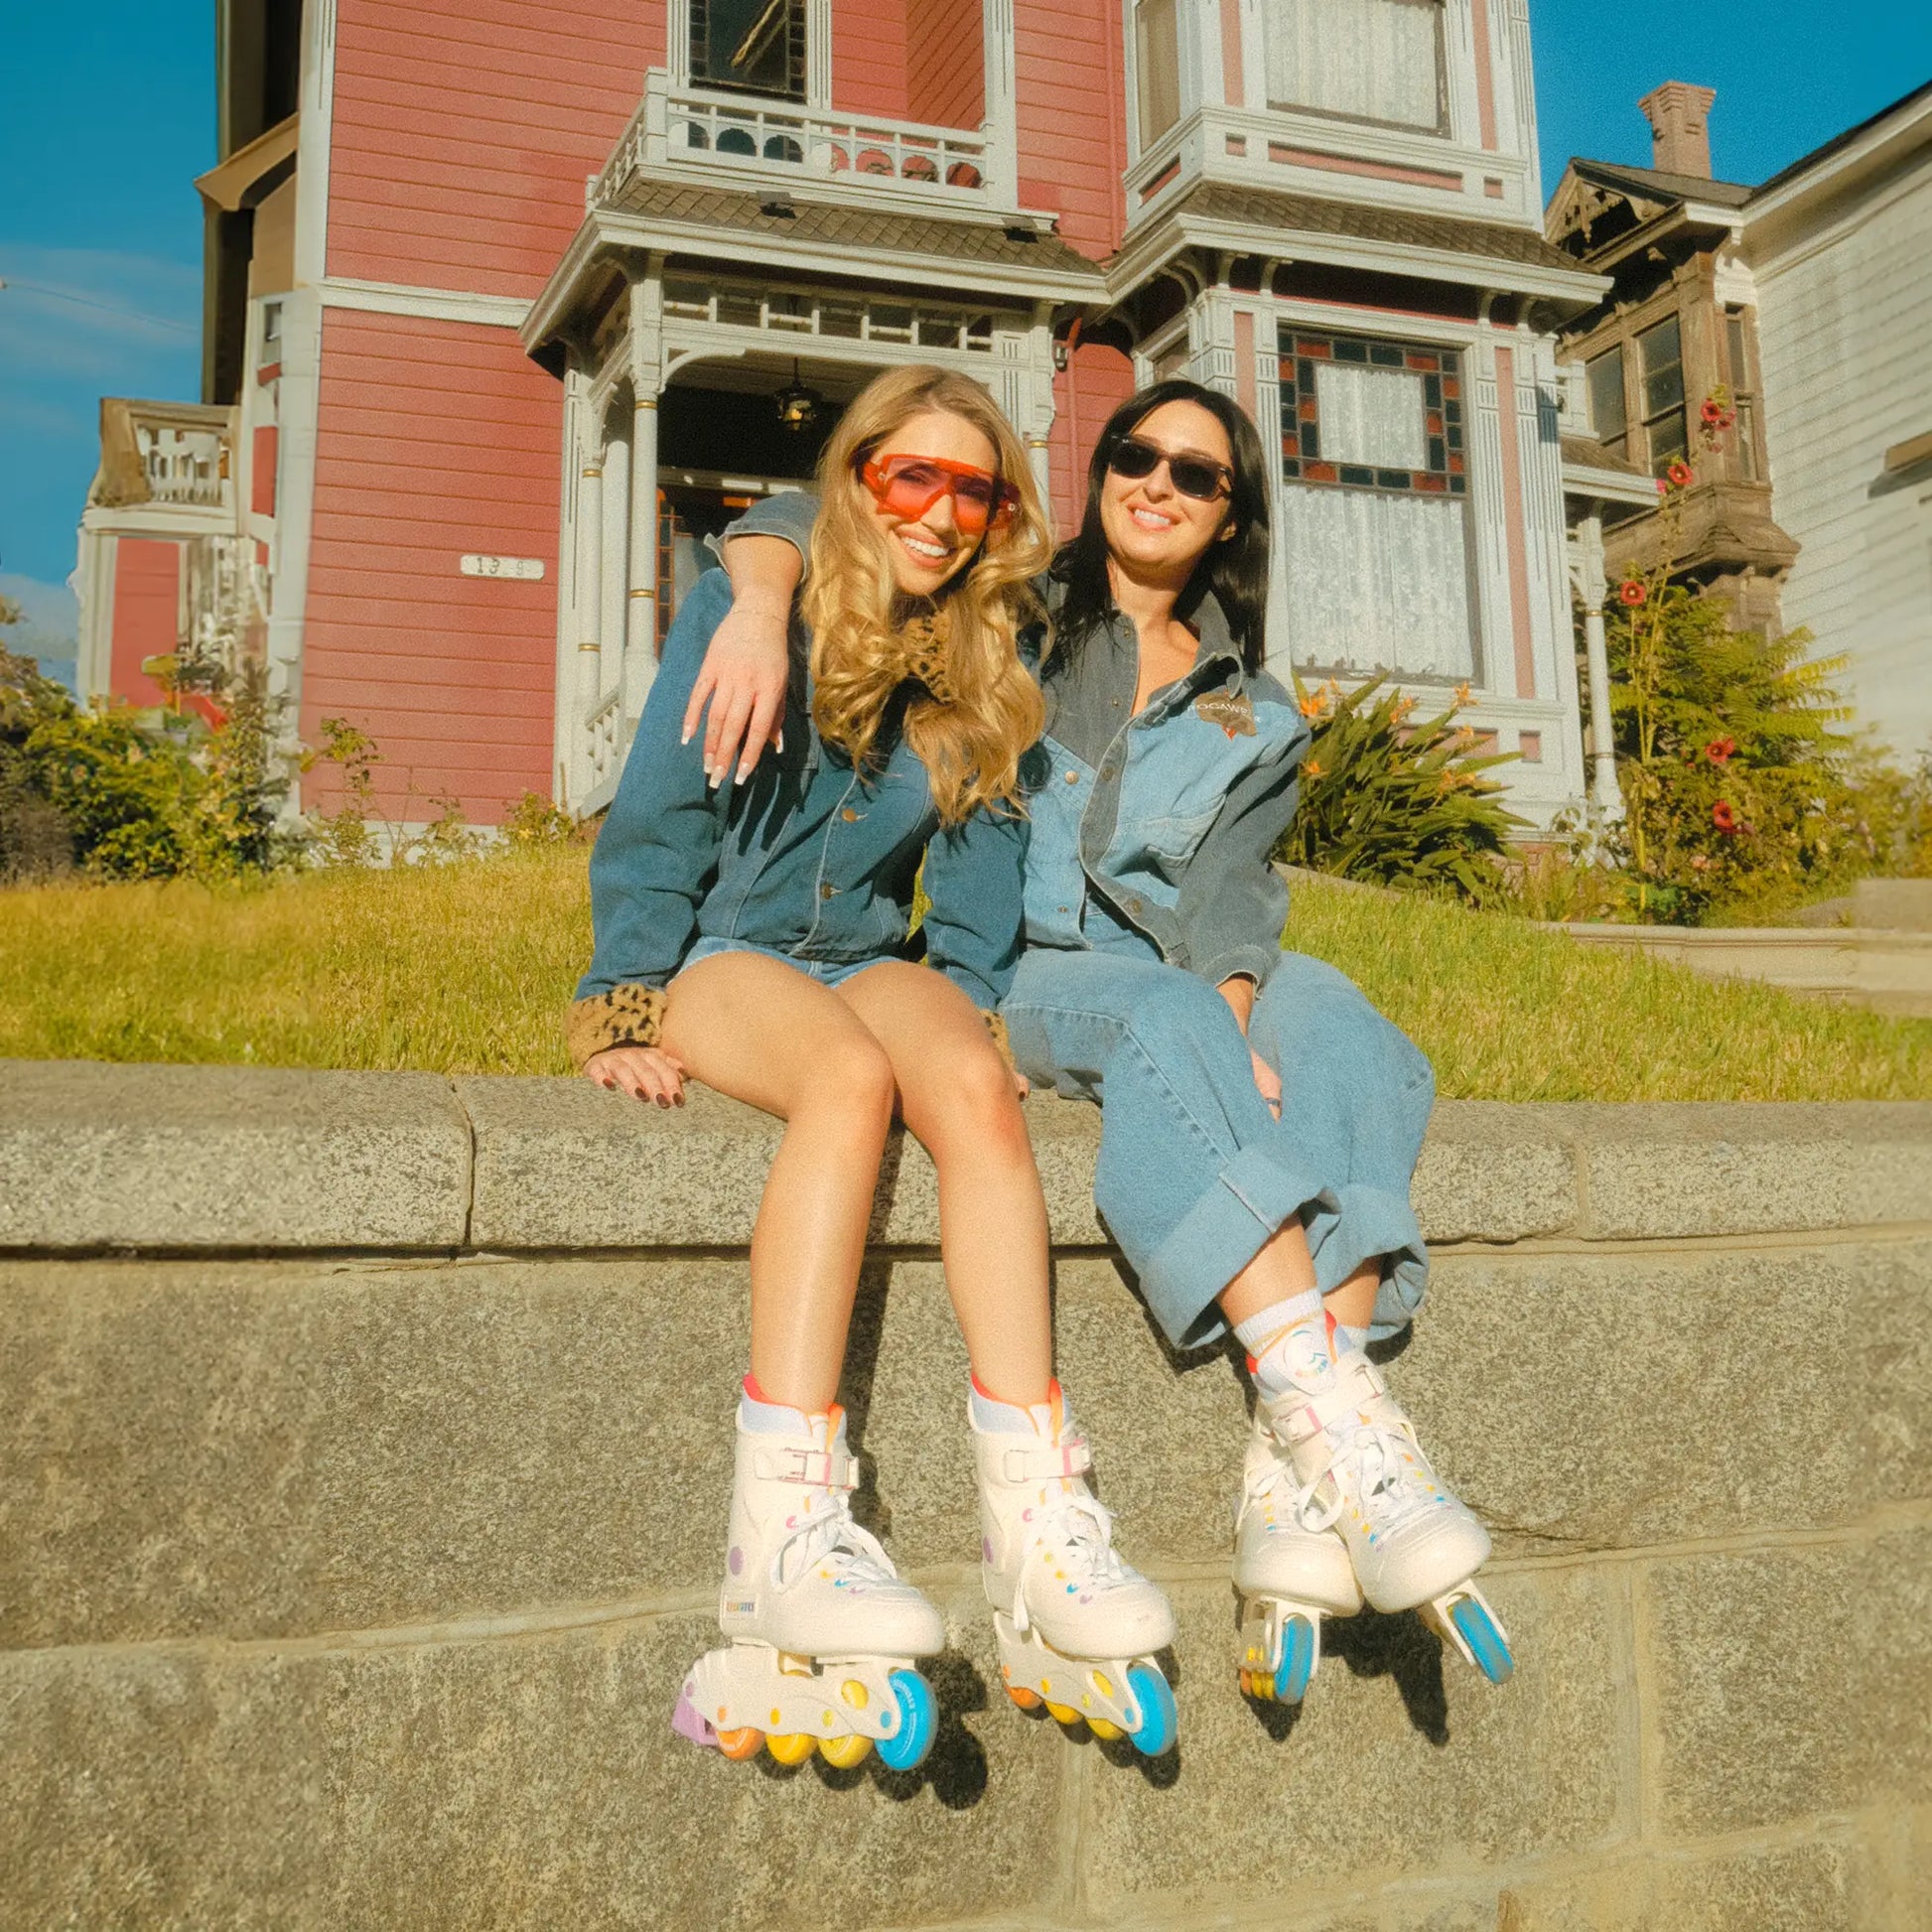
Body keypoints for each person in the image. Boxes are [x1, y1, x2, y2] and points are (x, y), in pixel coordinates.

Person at [702, 376, 1515, 1708]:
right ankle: (1329, 1413)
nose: (1158, 484)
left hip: (1162, 977)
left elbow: (1234, 899)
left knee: (1354, 1032)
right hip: (1015, 977)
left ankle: (1302, 1463)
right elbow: (817, 504)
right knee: (1165, 1011)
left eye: (1195, 474)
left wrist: (1237, 1019)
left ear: (1229, 513)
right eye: (1136, 454)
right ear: (1099, 474)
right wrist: (748, 592)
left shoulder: (1254, 708)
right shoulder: (1006, 606)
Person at [569, 365, 1176, 1775]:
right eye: (914, 478)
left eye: (975, 491)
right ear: (859, 481)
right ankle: (781, 1524)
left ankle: (1036, 1520)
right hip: (732, 951)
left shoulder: (979, 660)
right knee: (843, 1079)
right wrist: (623, 1003)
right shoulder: (747, 611)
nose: (944, 514)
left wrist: (965, 1013)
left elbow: (970, 884)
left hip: (867, 950)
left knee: (958, 1076)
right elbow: (659, 818)